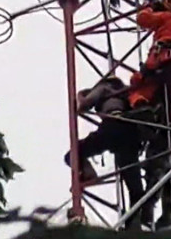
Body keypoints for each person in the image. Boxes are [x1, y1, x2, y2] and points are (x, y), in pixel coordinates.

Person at [63, 75, 154, 229]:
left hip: (112, 127)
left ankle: (87, 172)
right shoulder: (129, 93)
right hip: (130, 135)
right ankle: (136, 224)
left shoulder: (104, 87)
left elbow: (84, 105)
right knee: (135, 187)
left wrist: (81, 95)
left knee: (72, 154)